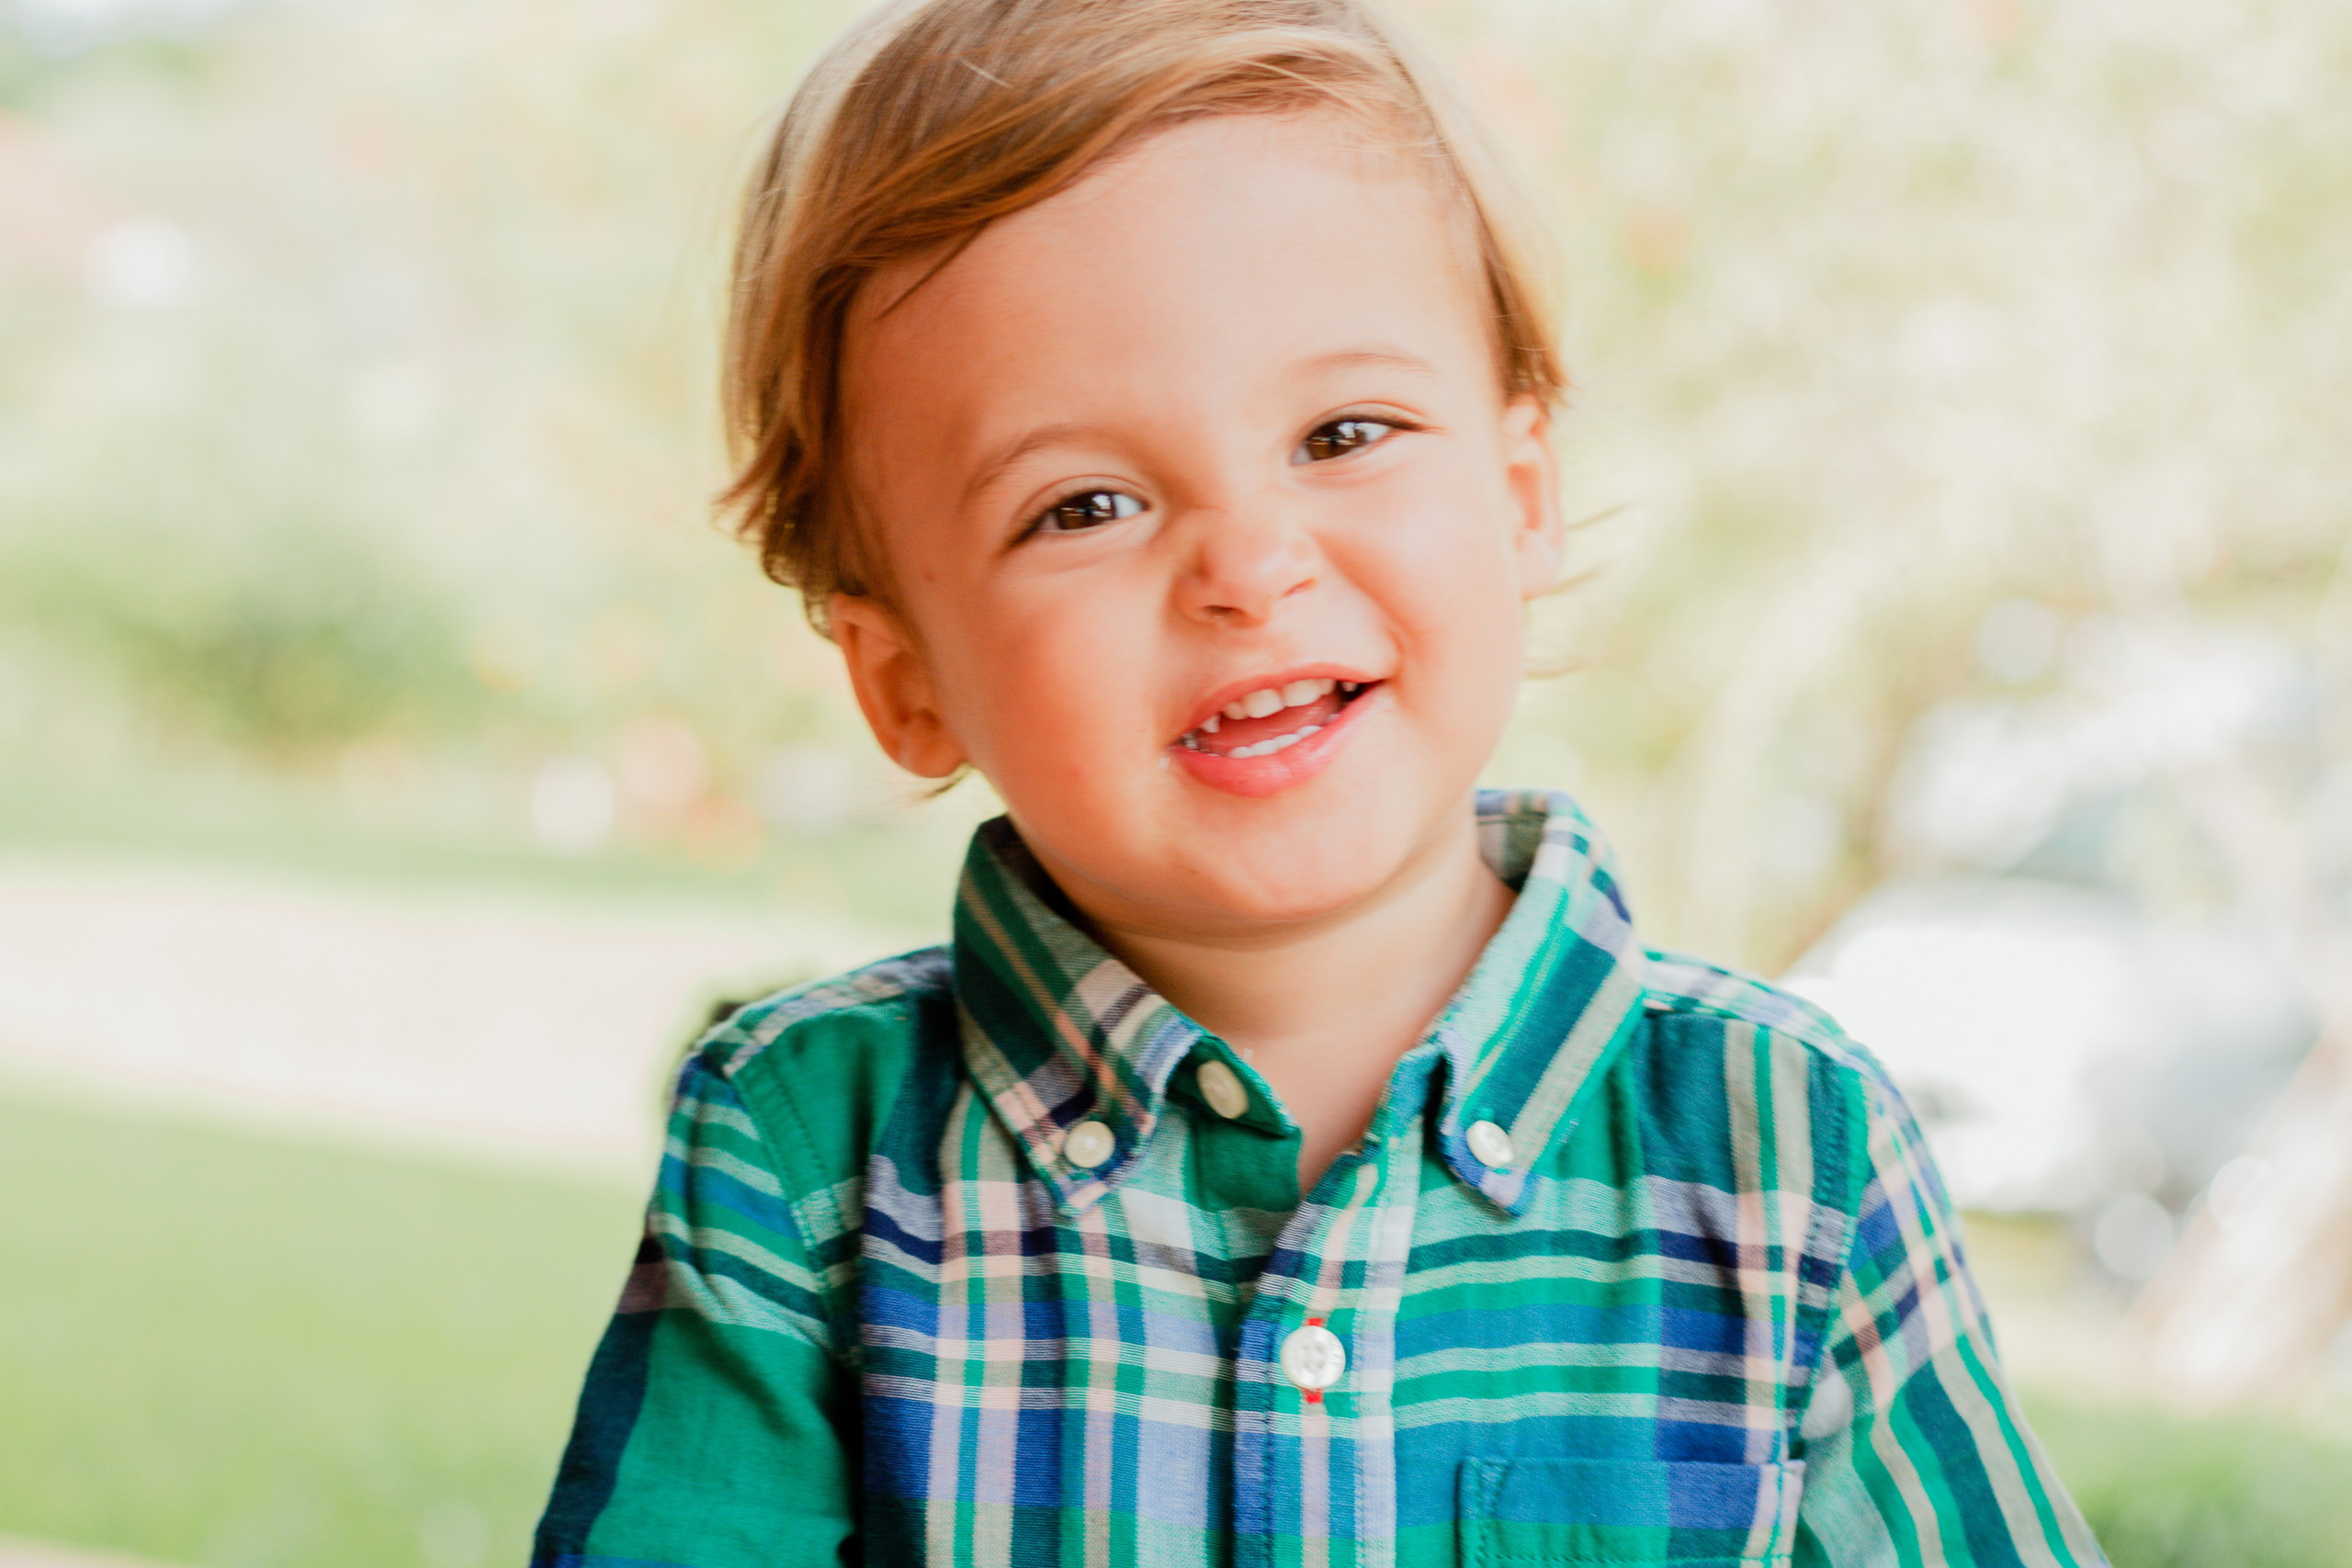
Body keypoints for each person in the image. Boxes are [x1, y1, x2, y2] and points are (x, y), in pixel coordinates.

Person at [534, 2, 2106, 1563]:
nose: (1250, 565)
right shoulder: (805, 1157)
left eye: (1344, 433)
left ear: (1521, 497)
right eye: (1083, 506)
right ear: (905, 682)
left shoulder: (1790, 1151)